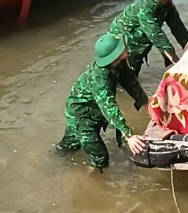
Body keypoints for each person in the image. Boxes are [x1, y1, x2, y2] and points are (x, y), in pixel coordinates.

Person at [55, 33, 148, 172]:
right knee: (99, 157)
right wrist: (129, 135)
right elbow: (109, 107)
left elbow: (131, 83)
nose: (127, 48)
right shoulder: (99, 78)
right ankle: (84, 177)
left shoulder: (120, 64)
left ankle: (58, 157)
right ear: (114, 56)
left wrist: (148, 105)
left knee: (71, 143)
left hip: (96, 110)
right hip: (81, 115)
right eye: (123, 48)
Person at [109, 0, 188, 76]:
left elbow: (179, 29)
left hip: (140, 44)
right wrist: (178, 63)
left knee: (133, 74)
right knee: (123, 76)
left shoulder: (167, 5)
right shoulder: (146, 7)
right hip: (124, 44)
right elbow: (156, 35)